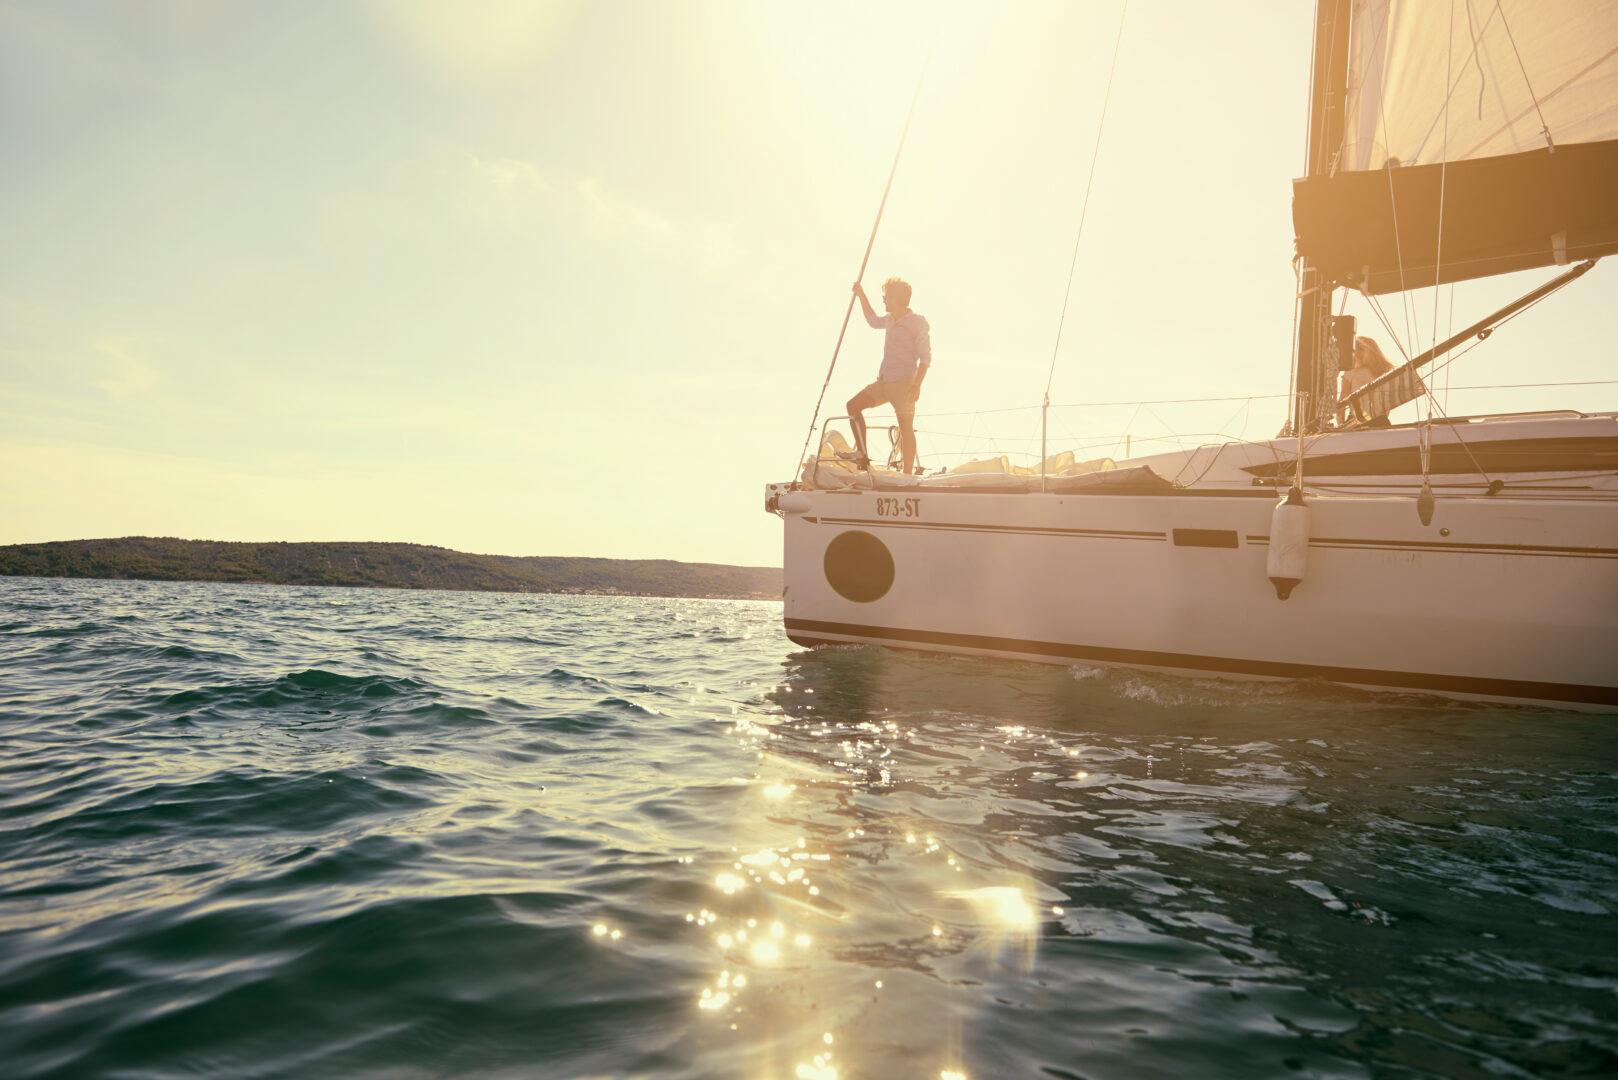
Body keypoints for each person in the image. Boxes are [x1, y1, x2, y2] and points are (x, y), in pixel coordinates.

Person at [846, 276, 931, 473]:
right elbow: (873, 321)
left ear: (896, 299)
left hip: (904, 384)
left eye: (886, 297)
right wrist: (861, 295)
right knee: (853, 406)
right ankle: (862, 454)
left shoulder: (917, 323)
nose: (883, 300)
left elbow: (925, 358)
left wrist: (917, 385)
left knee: (906, 428)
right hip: (884, 383)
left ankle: (908, 475)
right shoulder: (890, 320)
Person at [1338, 335, 1394, 425]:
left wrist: (1340, 425)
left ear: (1362, 351)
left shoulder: (1350, 373)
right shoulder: (1384, 372)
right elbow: (1387, 405)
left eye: (1353, 350)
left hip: (1357, 422)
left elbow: (1341, 404)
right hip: (1381, 421)